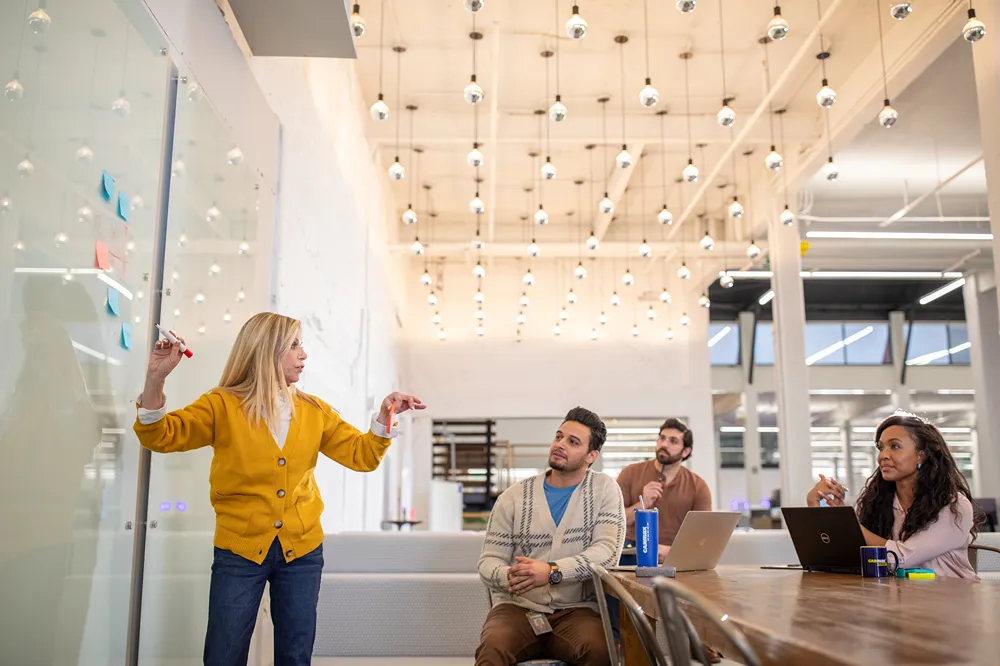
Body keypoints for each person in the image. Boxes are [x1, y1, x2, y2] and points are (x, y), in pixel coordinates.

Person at [134, 313, 425, 665]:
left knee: (295, 655)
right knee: (223, 655)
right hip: (238, 551)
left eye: (301, 344)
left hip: (302, 551)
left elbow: (361, 456)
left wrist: (385, 415)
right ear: (265, 350)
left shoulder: (315, 410)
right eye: (294, 345)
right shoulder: (221, 405)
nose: (304, 355)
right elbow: (160, 435)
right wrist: (156, 378)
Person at [476, 407, 626, 666]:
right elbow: (488, 562)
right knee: (493, 649)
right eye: (559, 437)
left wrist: (552, 571)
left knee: (601, 651)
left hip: (577, 610)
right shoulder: (512, 497)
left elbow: (607, 552)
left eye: (572, 441)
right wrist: (514, 576)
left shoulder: (604, 489)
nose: (560, 445)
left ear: (591, 456)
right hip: (517, 608)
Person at [807, 412, 979, 580]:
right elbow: (844, 556)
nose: (883, 455)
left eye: (895, 446)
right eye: (881, 447)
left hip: (951, 600)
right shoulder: (875, 502)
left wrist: (847, 523)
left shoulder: (953, 506)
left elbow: (901, 559)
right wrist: (818, 506)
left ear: (921, 455)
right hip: (899, 598)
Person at [616, 418, 712, 564]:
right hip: (632, 554)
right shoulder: (629, 473)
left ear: (685, 451)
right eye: (662, 438)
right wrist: (642, 504)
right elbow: (614, 523)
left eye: (673, 441)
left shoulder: (698, 486)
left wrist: (672, 551)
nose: (664, 444)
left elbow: (703, 535)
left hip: (676, 555)